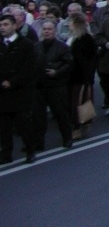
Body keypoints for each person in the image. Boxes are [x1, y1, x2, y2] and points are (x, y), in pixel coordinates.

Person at [0, 12, 37, 164]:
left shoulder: (26, 45)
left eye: (6, 24)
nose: (2, 28)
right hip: (2, 92)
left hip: (20, 92)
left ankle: (30, 151)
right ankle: (6, 153)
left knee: (23, 125)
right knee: (4, 127)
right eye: (1, 25)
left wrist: (13, 82)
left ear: (15, 26)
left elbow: (28, 69)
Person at [33, 20, 74, 150]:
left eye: (49, 29)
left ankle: (67, 138)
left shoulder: (62, 47)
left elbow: (69, 64)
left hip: (57, 85)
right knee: (39, 117)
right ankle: (39, 142)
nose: (47, 31)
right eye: (44, 29)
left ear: (55, 31)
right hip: (40, 86)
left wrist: (57, 72)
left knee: (61, 113)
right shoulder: (37, 47)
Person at [66, 12, 98, 140]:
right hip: (72, 76)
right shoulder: (73, 38)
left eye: (71, 23)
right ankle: (77, 126)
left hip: (81, 78)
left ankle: (78, 127)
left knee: (79, 103)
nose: (69, 25)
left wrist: (87, 78)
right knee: (72, 103)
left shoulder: (86, 40)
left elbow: (88, 61)